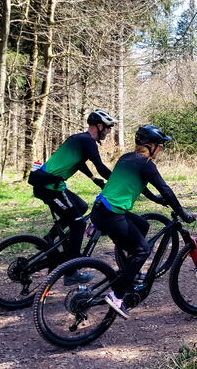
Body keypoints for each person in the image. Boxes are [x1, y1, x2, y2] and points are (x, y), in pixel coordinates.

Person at [91, 125, 195, 319]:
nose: (161, 150)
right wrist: (181, 212)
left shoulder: (125, 158)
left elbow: (140, 183)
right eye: (160, 146)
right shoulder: (146, 163)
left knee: (142, 225)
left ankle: (129, 269)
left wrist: (155, 200)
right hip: (113, 215)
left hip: (98, 211)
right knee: (142, 250)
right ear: (151, 146)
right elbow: (166, 189)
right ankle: (116, 296)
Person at [28, 109, 116, 285]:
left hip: (51, 184)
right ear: (99, 126)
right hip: (51, 187)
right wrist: (118, 181)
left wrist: (93, 179)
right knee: (79, 223)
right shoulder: (88, 142)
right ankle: (71, 272)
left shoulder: (79, 139)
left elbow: (78, 162)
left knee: (81, 207)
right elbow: (101, 167)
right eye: (107, 128)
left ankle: (49, 239)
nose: (108, 132)